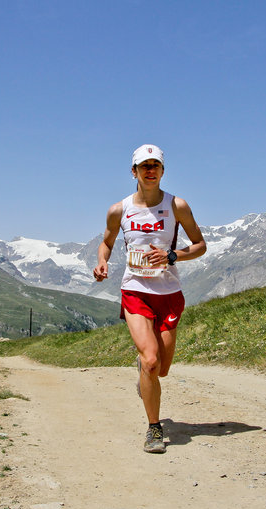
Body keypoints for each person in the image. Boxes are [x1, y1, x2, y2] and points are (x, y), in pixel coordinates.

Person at [93, 144, 206, 453]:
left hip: (169, 293)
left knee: (163, 368)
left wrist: (172, 255)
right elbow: (106, 242)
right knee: (152, 360)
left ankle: (145, 372)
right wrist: (102, 262)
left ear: (163, 170)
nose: (150, 170)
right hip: (135, 291)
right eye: (144, 166)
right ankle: (154, 429)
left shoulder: (176, 206)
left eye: (155, 165)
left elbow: (200, 245)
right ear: (134, 172)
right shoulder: (120, 209)